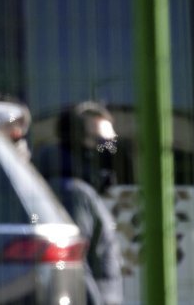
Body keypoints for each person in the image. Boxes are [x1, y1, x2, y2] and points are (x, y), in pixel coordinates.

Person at [35, 102, 124, 305]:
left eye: (112, 143)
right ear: (80, 143)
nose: (109, 149)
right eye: (102, 142)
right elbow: (77, 265)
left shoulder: (78, 188)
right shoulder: (73, 193)